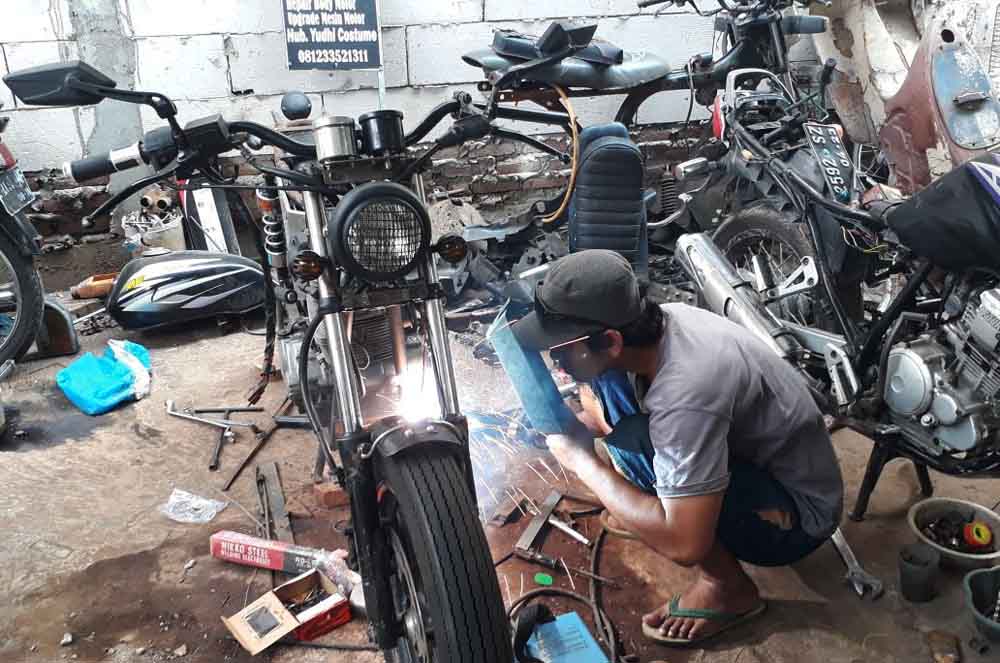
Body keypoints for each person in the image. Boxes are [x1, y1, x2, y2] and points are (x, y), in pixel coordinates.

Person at [512, 249, 844, 647]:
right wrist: (584, 425)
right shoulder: (657, 324)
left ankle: (727, 589)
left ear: (612, 339)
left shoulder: (685, 396)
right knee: (606, 385)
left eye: (562, 348)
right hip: (758, 455)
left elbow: (685, 545)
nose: (557, 361)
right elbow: (602, 395)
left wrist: (583, 462)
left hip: (796, 518)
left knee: (640, 453)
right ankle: (646, 503)